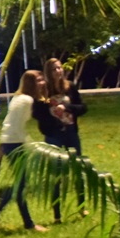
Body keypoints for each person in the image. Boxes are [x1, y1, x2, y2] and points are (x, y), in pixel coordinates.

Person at [0, 70, 48, 232]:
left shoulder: (18, 97)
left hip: (9, 141)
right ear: (31, 84)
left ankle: (23, 222)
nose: (42, 83)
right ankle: (23, 223)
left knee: (20, 184)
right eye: (39, 80)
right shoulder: (27, 100)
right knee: (20, 185)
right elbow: (16, 126)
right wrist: (30, 144)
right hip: (15, 143)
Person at [33, 57, 88, 223]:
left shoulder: (69, 87)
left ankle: (82, 207)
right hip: (54, 135)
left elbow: (83, 107)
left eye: (59, 68)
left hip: (71, 133)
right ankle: (57, 214)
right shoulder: (44, 91)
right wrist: (52, 117)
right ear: (48, 73)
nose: (58, 71)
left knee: (78, 170)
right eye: (54, 69)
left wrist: (67, 108)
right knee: (56, 174)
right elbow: (37, 114)